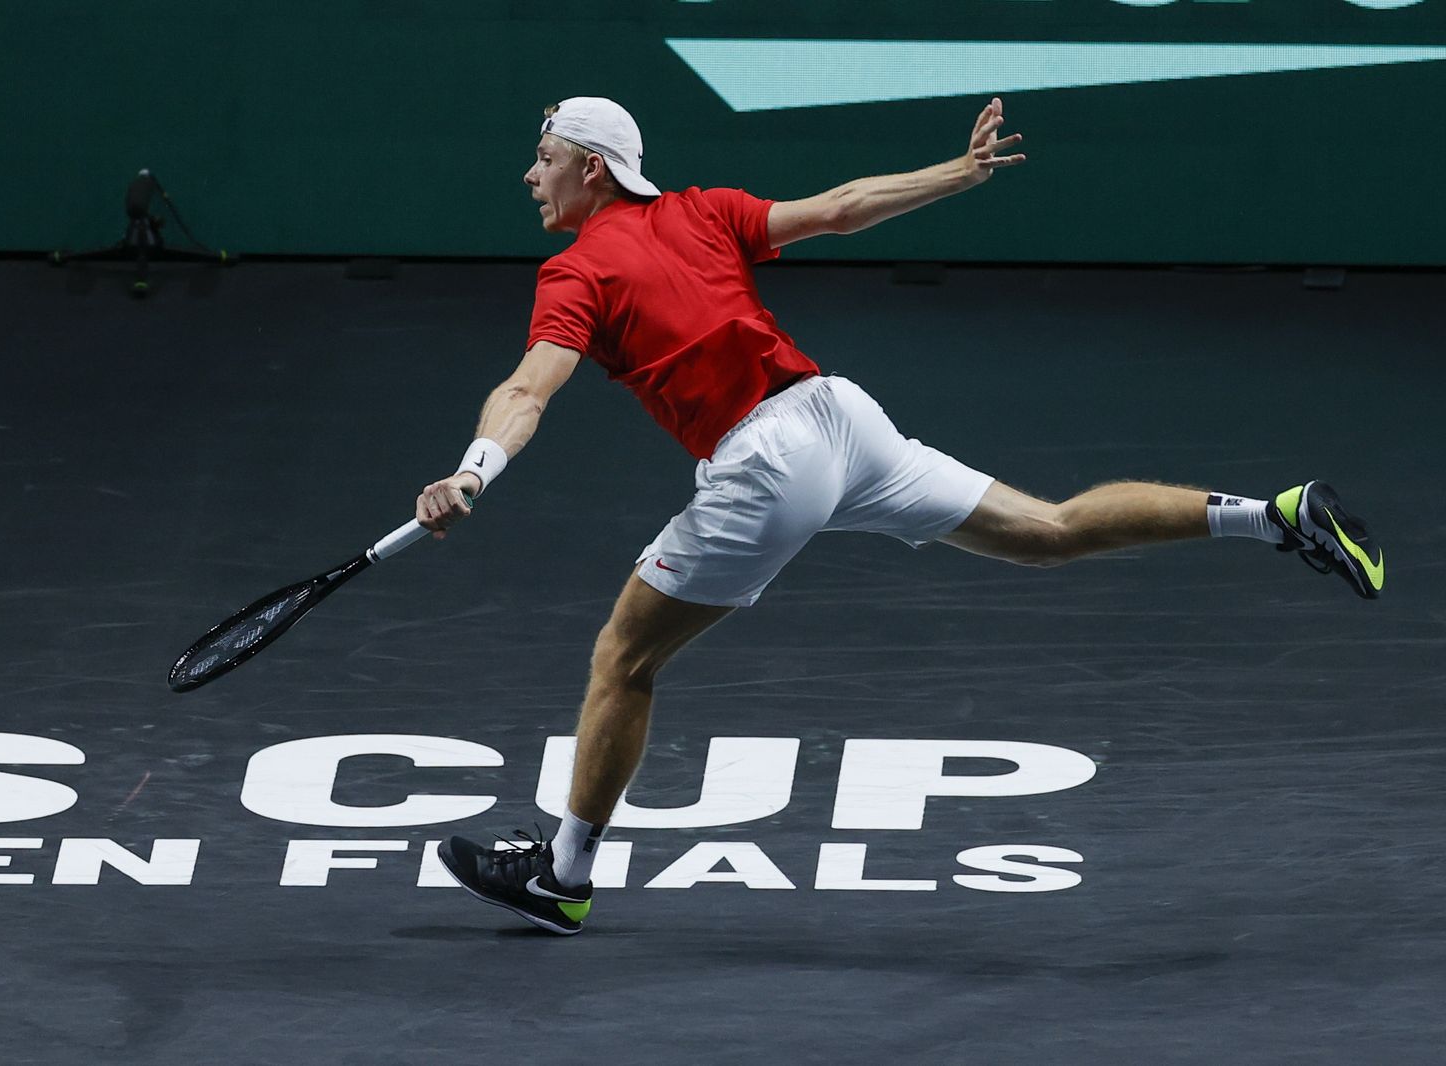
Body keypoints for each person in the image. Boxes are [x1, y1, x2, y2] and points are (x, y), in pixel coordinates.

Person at [421, 96, 1384, 935]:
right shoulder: (700, 210)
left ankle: (564, 878)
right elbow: (840, 211)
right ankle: (1277, 515)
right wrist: (959, 173)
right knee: (1046, 531)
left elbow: (527, 388)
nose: (529, 174)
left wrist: (472, 472)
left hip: (764, 460)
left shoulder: (576, 272)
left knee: (624, 658)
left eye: (544, 157)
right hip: (842, 418)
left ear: (592, 166)